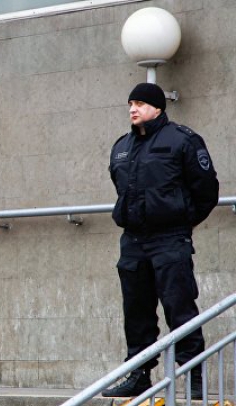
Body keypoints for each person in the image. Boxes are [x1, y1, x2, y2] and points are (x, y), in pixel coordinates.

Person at [102, 83, 219, 399]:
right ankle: (138, 375)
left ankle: (194, 378)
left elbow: (206, 191)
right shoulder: (122, 146)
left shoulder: (183, 140)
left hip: (170, 239)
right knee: (136, 312)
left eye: (139, 103)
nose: (132, 109)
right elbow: (120, 187)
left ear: (157, 107)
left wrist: (180, 221)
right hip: (133, 241)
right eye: (130, 103)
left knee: (179, 308)